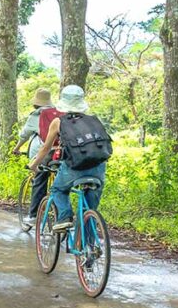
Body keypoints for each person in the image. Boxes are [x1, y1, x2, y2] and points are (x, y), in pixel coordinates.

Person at [28, 84, 110, 232]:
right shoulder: (94, 119)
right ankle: (89, 249)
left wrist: (34, 165)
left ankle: (64, 217)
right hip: (98, 167)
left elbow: (45, 148)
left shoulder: (58, 122)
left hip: (75, 166)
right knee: (88, 213)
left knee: (57, 189)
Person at [12, 88, 56, 225]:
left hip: (42, 152)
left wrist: (17, 148)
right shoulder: (59, 114)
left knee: (39, 179)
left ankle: (33, 215)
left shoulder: (35, 115)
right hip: (60, 152)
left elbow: (24, 135)